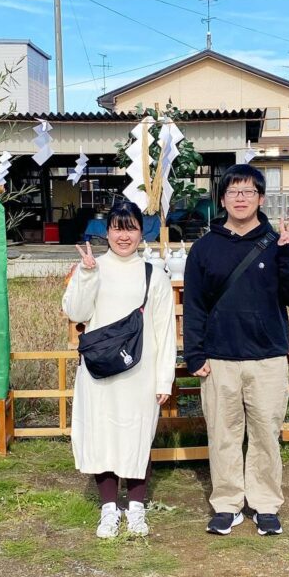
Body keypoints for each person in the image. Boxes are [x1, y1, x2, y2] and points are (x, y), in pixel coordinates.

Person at [183, 164, 289, 537]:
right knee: (222, 434)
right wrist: (195, 354)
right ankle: (227, 504)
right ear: (222, 199)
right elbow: (195, 306)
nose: (241, 198)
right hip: (220, 358)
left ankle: (265, 505)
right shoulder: (204, 248)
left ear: (261, 198)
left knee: (266, 434)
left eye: (248, 192)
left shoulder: (275, 242)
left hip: (268, 357)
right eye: (234, 192)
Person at [63, 200, 176, 538]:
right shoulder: (92, 266)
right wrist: (85, 274)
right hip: (98, 371)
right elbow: (76, 312)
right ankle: (109, 508)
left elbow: (164, 328)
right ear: (106, 231)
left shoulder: (153, 274)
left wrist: (164, 378)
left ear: (142, 232)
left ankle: (137, 508)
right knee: (102, 436)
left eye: (130, 228)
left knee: (137, 436)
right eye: (117, 227)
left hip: (140, 371)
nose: (123, 236)